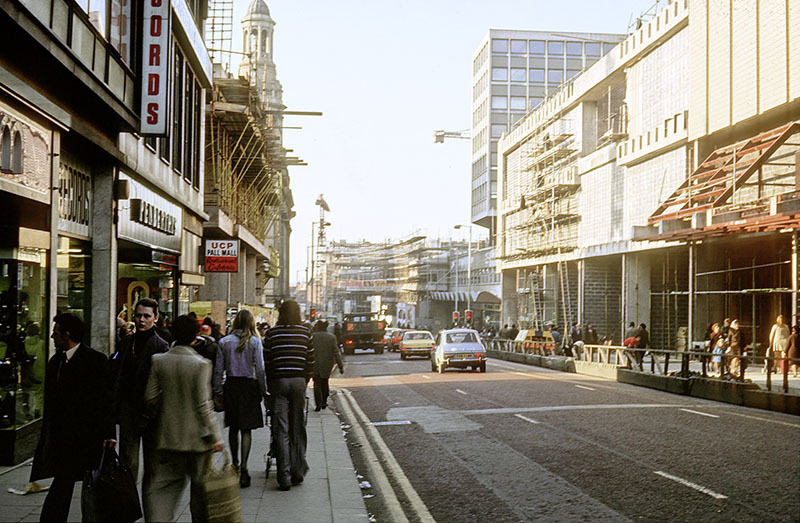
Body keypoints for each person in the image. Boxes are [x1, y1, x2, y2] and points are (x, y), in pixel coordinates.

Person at [31, 313, 115, 522]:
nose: (51, 336)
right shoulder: (56, 362)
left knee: (92, 484)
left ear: (67, 335)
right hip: (64, 438)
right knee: (62, 482)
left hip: (89, 437)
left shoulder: (95, 360)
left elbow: (106, 400)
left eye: (56, 332)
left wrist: (109, 433)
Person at [143, 315, 224, 522]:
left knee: (163, 488)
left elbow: (150, 396)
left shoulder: (159, 360)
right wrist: (216, 436)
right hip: (198, 439)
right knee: (199, 490)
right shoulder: (201, 364)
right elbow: (203, 404)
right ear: (195, 337)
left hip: (168, 436)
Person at [110, 298, 168, 486]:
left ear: (155, 318)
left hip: (151, 412)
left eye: (146, 316)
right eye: (138, 315)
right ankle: (128, 502)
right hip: (129, 408)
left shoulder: (161, 346)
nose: (141, 320)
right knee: (128, 461)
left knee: (152, 463)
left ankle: (151, 502)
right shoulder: (126, 343)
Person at [263, 300, 315, 491]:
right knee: (297, 427)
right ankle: (297, 471)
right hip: (299, 382)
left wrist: (271, 385)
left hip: (279, 383)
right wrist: (305, 380)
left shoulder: (272, 333)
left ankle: (283, 476)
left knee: (281, 429)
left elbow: (267, 361)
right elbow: (311, 360)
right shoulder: (305, 332)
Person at [213, 309, 267, 488]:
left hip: (232, 387)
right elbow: (260, 369)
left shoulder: (224, 342)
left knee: (233, 428)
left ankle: (234, 465)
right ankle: (245, 468)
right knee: (247, 429)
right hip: (248, 387)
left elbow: (219, 370)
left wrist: (217, 391)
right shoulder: (255, 342)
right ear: (251, 322)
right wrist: (263, 389)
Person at [311, 320, 344, 411]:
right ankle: (324, 401)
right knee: (324, 382)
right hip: (327, 364)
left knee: (316, 384)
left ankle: (318, 404)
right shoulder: (332, 337)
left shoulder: (312, 337)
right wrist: (340, 366)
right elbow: (336, 352)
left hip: (315, 364)